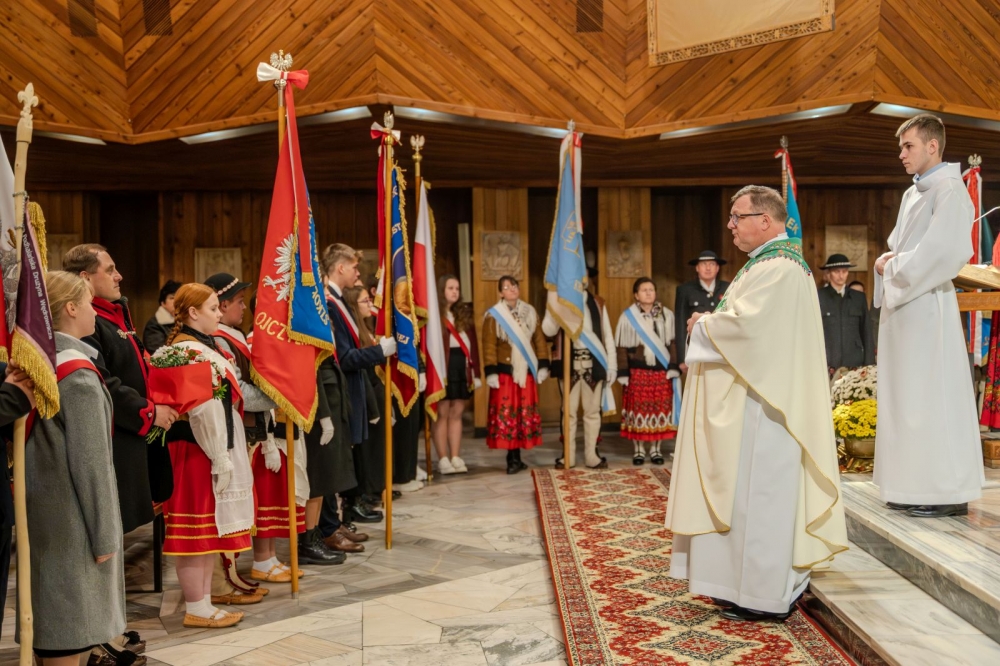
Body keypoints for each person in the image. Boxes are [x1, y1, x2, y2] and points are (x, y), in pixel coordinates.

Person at [667, 185, 848, 621]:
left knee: (762, 500)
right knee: (744, 501)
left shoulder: (782, 267)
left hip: (769, 409)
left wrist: (703, 323)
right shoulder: (765, 264)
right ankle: (737, 586)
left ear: (764, 221)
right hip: (755, 399)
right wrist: (710, 323)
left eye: (737, 216)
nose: (730, 225)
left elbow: (751, 331)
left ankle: (765, 596)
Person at [874, 114, 984, 517]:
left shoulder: (951, 190)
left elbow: (947, 252)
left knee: (931, 396)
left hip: (928, 304)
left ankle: (945, 491)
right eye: (901, 147)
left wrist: (895, 267)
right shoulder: (913, 193)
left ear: (933, 146)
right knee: (906, 397)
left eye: (909, 147)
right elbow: (903, 244)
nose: (901, 154)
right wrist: (889, 259)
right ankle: (911, 483)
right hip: (905, 307)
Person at [21, 271, 126, 666]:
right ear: (69, 308)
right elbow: (91, 465)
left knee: (58, 620)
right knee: (71, 628)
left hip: (49, 507)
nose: (93, 311)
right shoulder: (77, 376)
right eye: (87, 303)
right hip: (75, 519)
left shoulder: (42, 361)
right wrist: (105, 536)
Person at [64, 244, 178, 534]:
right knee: (109, 530)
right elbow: (103, 383)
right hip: (115, 437)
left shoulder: (113, 314)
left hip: (134, 436)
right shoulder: (87, 321)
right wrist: (149, 412)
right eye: (110, 270)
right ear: (85, 277)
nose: (119, 276)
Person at [160, 283, 254, 629]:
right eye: (214, 308)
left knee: (208, 530)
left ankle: (204, 602)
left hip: (212, 447)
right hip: (196, 448)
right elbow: (201, 409)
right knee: (193, 530)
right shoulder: (186, 350)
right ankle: (196, 605)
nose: (219, 314)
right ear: (192, 313)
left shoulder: (205, 346)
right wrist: (218, 454)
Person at [203, 273, 280, 602]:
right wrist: (278, 396)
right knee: (228, 509)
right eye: (237, 301)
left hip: (243, 428)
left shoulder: (232, 335)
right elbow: (237, 389)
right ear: (221, 304)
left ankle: (231, 573)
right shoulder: (219, 339)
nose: (242, 308)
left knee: (241, 507)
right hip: (230, 429)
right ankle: (223, 577)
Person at [324, 243, 394, 522]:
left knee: (349, 456)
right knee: (338, 462)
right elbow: (344, 357)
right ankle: (334, 523)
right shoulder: (330, 303)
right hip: (340, 391)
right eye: (354, 267)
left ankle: (341, 518)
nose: (358, 273)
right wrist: (379, 351)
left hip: (351, 390)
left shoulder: (339, 300)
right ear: (340, 267)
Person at [541, 268, 616, 469]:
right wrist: (554, 307)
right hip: (568, 364)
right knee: (569, 412)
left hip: (594, 363)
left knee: (592, 412)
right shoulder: (560, 303)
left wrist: (612, 366)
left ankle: (592, 456)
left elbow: (607, 335)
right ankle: (569, 455)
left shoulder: (598, 303)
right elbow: (547, 330)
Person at [482, 275, 550, 474]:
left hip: (526, 373)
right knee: (508, 415)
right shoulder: (494, 315)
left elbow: (539, 340)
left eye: (514, 285)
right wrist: (491, 372)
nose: (511, 289)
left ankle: (518, 457)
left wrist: (543, 365)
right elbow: (489, 345)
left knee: (522, 415)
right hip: (505, 374)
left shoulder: (529, 312)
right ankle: (511, 459)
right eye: (506, 287)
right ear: (500, 292)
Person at [615, 278, 680, 465]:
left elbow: (673, 343)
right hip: (638, 373)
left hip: (661, 373)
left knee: (659, 410)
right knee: (638, 412)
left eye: (651, 289)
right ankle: (639, 451)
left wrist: (673, 366)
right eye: (644, 290)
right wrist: (623, 372)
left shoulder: (666, 315)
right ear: (636, 295)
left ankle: (656, 450)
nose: (649, 293)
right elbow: (621, 347)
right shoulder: (628, 317)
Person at [433, 275, 482, 474]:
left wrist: (476, 372)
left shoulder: (463, 314)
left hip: (461, 366)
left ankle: (455, 455)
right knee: (442, 413)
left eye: (457, 288)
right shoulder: (434, 315)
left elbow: (474, 346)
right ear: (441, 291)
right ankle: (442, 458)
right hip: (443, 366)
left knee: (457, 413)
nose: (455, 291)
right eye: (450, 288)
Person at [817, 254, 874, 374]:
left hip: (854, 363)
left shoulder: (858, 298)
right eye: (837, 271)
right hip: (827, 362)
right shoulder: (819, 297)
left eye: (844, 271)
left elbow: (866, 331)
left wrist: (869, 365)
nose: (841, 275)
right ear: (829, 273)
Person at [674, 251, 729, 372]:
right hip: (696, 348)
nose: (708, 268)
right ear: (697, 268)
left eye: (712, 264)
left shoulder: (728, 288)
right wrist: (682, 357)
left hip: (722, 348)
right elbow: (680, 324)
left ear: (718, 268)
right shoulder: (685, 290)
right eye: (704, 264)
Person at [142, 279, 181, 353]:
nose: (176, 301)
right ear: (163, 303)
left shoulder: (187, 321)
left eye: (179, 297)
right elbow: (157, 353)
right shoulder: (154, 325)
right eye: (172, 298)